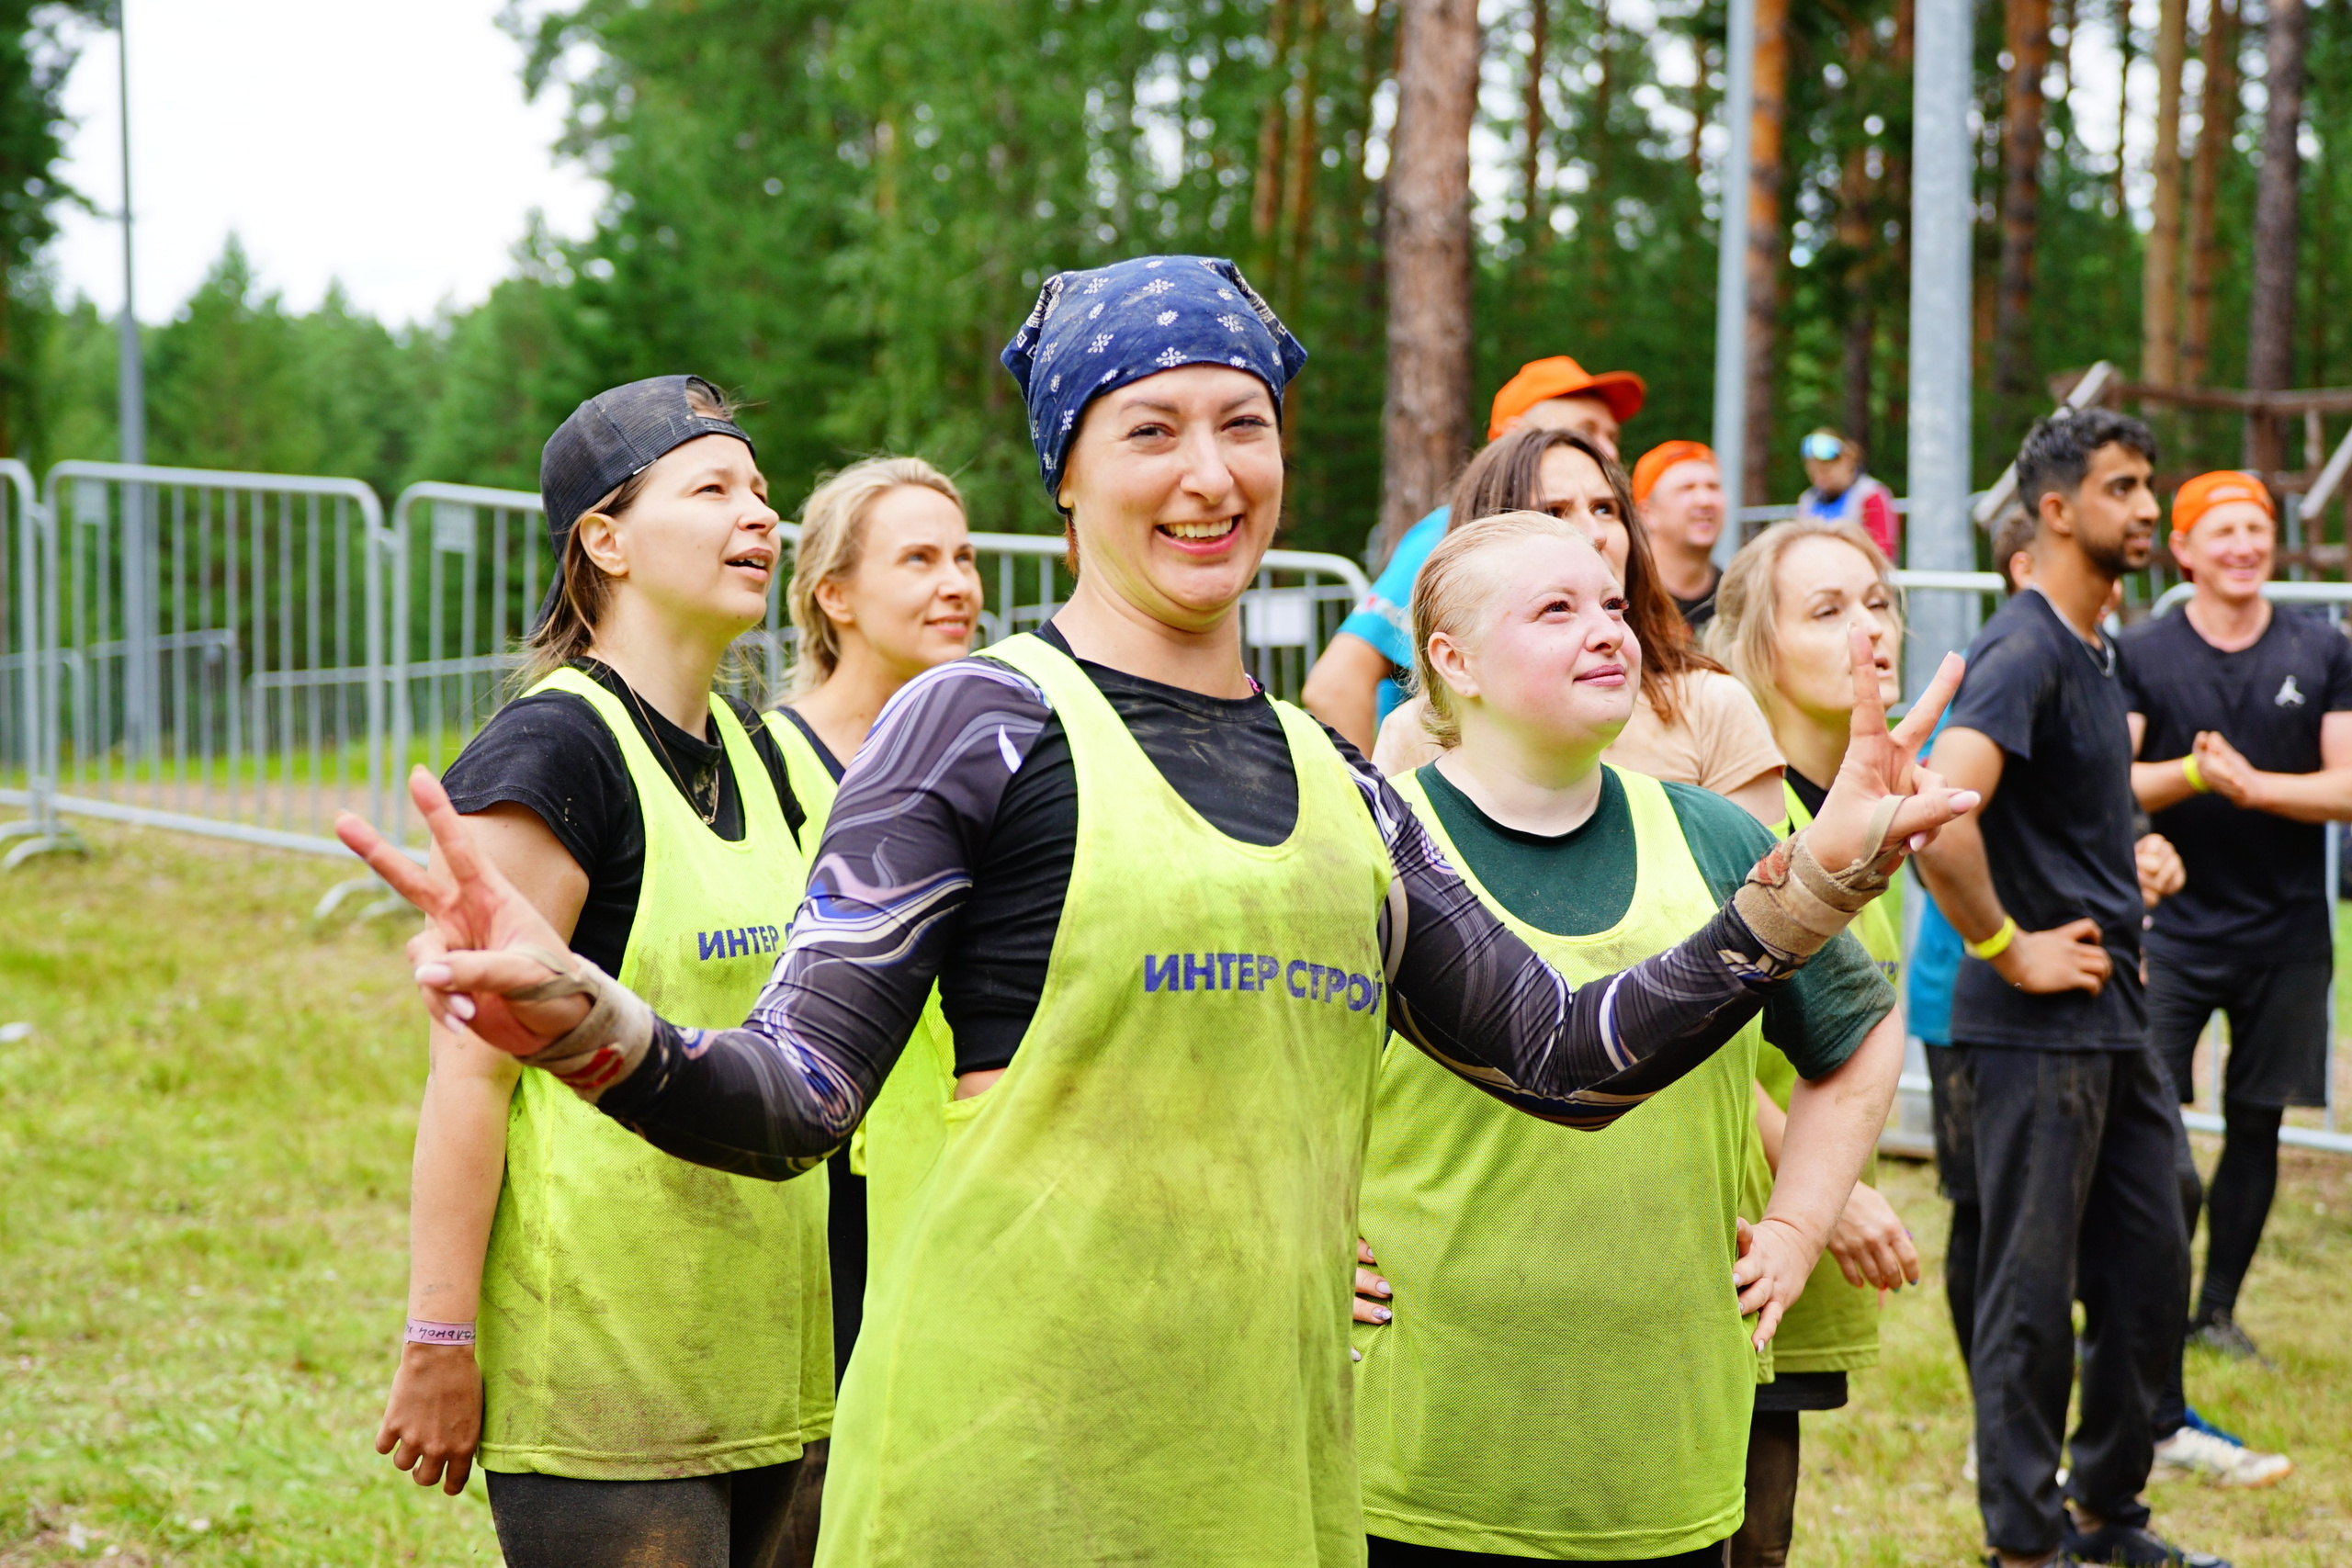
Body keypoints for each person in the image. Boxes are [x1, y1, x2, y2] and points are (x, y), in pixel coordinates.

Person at [337, 254, 1976, 1568]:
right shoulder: (971, 726)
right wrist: (590, 1016)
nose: (1209, 475)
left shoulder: (1344, 784)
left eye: (1242, 423)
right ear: (1067, 475)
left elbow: (1567, 1053)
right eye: (1151, 429)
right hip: (1003, 1489)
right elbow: (793, 1098)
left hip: (1265, 1493)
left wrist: (1819, 872)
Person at [1350, 511, 1909, 1567]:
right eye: (1555, 609)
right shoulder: (1372, 842)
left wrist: (1794, 1229)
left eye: (1610, 605)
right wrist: (1303, 1231)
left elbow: (1856, 1036)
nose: (1607, 629)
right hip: (1417, 1458)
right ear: (1450, 659)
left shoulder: (1715, 836)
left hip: (1661, 1455)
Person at [375, 376, 832, 1568]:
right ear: (605, 539)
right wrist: (438, 1332)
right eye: (714, 487)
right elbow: (468, 1075)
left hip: (773, 1356)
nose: (760, 518)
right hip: (609, 1386)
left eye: (764, 493)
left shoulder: (758, 750)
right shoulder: (556, 749)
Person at [1913, 409, 2226, 1568]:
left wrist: (2129, 850)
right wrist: (2009, 946)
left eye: (2150, 487)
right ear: (2055, 511)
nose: (2149, 509)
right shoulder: (2026, 646)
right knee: (2028, 1301)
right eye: (2124, 488)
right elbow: (1942, 813)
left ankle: (2106, 1513)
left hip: (2113, 1020)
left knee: (2153, 1252)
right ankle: (2025, 1544)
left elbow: (2061, 807)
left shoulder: (2093, 649)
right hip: (2031, 1030)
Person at [1702, 518, 1926, 1568]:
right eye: (1827, 611)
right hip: (1728, 1226)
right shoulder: (1736, 809)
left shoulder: (1856, 797)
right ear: (1755, 645)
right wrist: (1819, 1186)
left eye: (1875, 602)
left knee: (1768, 1530)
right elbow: (1695, 1033)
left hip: (1794, 1222)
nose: (1865, 630)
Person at [2121, 469, 2349, 1483]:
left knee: (2256, 1123)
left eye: (2257, 529)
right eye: (2223, 530)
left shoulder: (2321, 646)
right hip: (2171, 930)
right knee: (2153, 1128)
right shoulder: (2141, 651)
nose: (2244, 545)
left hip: (2288, 930)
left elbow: (2346, 785)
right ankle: (2151, 1316)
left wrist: (2257, 787)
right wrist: (2186, 785)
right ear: (2182, 549)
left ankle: (2218, 1313)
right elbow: (2108, 775)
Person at [761, 456, 982, 1412]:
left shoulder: (1000, 756)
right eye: (919, 559)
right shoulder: (760, 763)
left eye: (964, 557)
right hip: (815, 1195)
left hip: (964, 1175)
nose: (956, 585)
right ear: (835, 595)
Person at [1371, 427, 1786, 825]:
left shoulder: (1711, 705)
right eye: (1554, 512)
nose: (1595, 534)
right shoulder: (1413, 732)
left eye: (1606, 509)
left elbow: (1762, 894)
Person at [1303, 355, 1646, 750]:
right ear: (1516, 432)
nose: (1606, 450)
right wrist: (1370, 804)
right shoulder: (1454, 538)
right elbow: (1336, 684)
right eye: (1586, 430)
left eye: (1612, 436)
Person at [1634, 440, 1726, 629]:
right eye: (1687, 488)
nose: (1705, 500)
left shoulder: (1736, 600)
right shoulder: (1625, 599)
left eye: (1713, 487)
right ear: (1647, 513)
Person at [1795, 430, 1898, 564]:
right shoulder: (1808, 500)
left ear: (1847, 460)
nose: (1820, 478)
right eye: (1814, 473)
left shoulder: (1870, 495)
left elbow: (1883, 552)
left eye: (1826, 470)